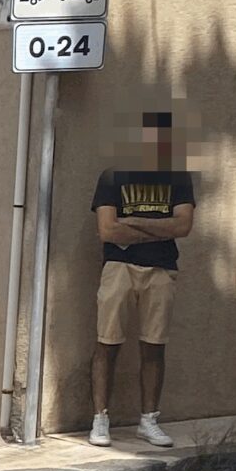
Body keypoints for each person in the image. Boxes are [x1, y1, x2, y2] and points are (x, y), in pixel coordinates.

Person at [90, 111, 195, 448]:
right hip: (118, 266)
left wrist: (133, 221)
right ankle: (100, 419)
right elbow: (107, 229)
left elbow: (183, 227)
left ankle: (148, 420)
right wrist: (158, 229)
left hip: (162, 269)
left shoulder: (178, 178)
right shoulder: (112, 177)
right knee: (107, 343)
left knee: (154, 345)